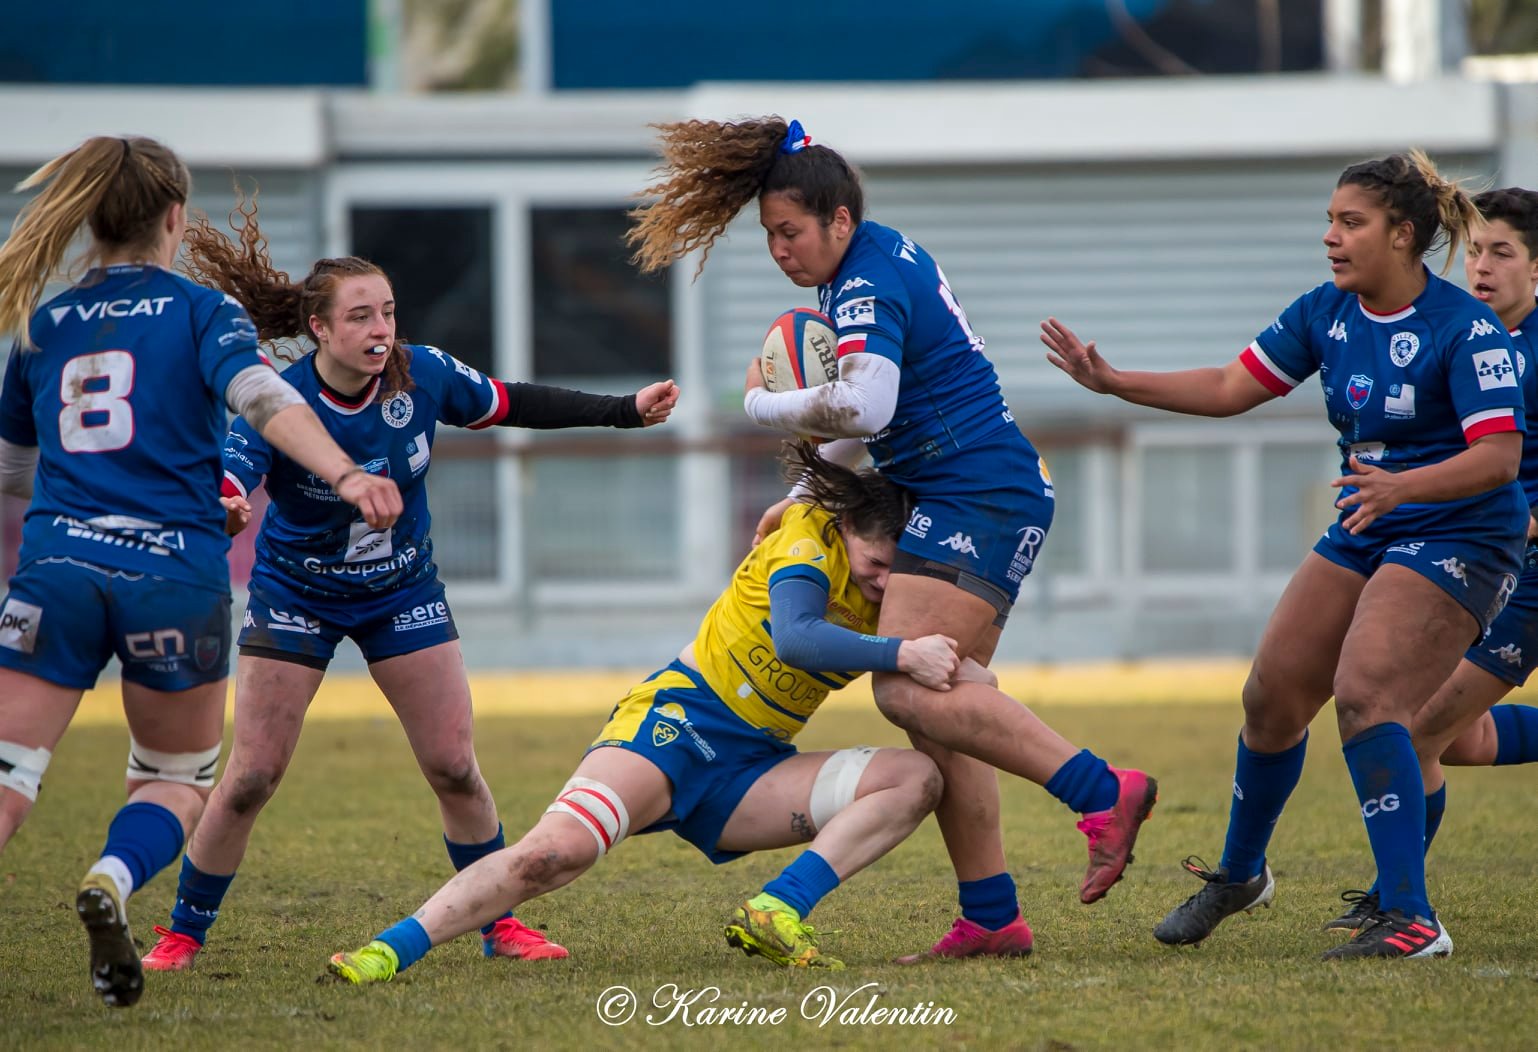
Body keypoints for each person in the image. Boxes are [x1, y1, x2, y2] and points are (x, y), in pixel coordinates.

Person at [623, 116, 1155, 962]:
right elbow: (873, 414)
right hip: (980, 489)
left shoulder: (865, 283)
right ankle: (991, 915)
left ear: (839, 220)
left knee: (907, 689)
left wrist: (758, 405)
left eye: (790, 232)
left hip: (974, 494)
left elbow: (865, 408)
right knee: (942, 710)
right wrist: (800, 492)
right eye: (768, 236)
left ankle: (1105, 791)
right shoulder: (871, 263)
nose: (779, 251)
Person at [136, 196, 680, 973]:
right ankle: (182, 934)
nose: (380, 329)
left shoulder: (420, 374)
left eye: (387, 312)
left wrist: (625, 410)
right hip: (298, 595)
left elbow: (511, 400)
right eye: (359, 316)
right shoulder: (278, 400)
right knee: (252, 776)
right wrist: (224, 509)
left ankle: (500, 925)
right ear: (319, 328)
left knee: (455, 766)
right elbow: (232, 478)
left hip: (402, 592)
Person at [1041, 152, 1527, 960]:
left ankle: (1413, 919)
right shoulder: (1327, 312)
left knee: (1369, 695)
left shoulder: (1463, 328)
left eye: (1351, 222)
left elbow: (1499, 459)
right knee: (1270, 696)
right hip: (1372, 519)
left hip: (1464, 534)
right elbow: (1234, 386)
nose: (1330, 237)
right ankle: (1239, 874)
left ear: (1403, 235)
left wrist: (1401, 490)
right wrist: (1115, 381)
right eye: (1329, 220)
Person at [0, 136, 402, 1008]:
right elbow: (264, 399)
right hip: (173, 576)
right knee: (175, 780)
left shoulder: (44, 323)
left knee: (8, 775)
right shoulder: (201, 311)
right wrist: (346, 473)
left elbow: (7, 468)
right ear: (174, 218)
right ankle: (111, 876)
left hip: (57, 569)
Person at [326, 441, 968, 982]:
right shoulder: (807, 536)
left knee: (916, 779)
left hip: (752, 766)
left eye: (897, 569)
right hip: (679, 722)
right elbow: (797, 637)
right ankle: (387, 952)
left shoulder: (897, 592)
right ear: (845, 526)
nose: (885, 583)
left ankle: (777, 909)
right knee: (554, 855)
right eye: (877, 564)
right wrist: (905, 652)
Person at [1323, 186, 1538, 931]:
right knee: (1454, 735)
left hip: (1521, 570)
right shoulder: (1474, 336)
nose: (1480, 267)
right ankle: (1396, 898)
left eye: (1501, 252)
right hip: (1476, 553)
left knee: (1414, 729)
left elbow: (1501, 463)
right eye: (1474, 250)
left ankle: (1399, 904)